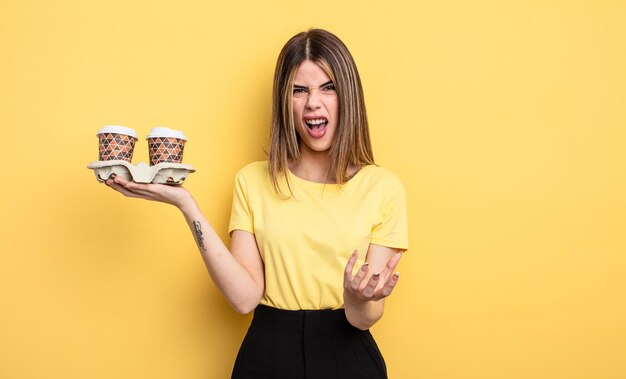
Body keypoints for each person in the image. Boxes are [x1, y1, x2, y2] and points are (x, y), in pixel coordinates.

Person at [105, 28, 408, 379]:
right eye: (299, 90)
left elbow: (364, 316)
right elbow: (245, 298)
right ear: (284, 101)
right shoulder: (252, 180)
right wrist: (188, 207)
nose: (313, 102)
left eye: (328, 87)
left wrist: (357, 298)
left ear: (348, 97)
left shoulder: (383, 187)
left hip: (348, 355)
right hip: (268, 355)